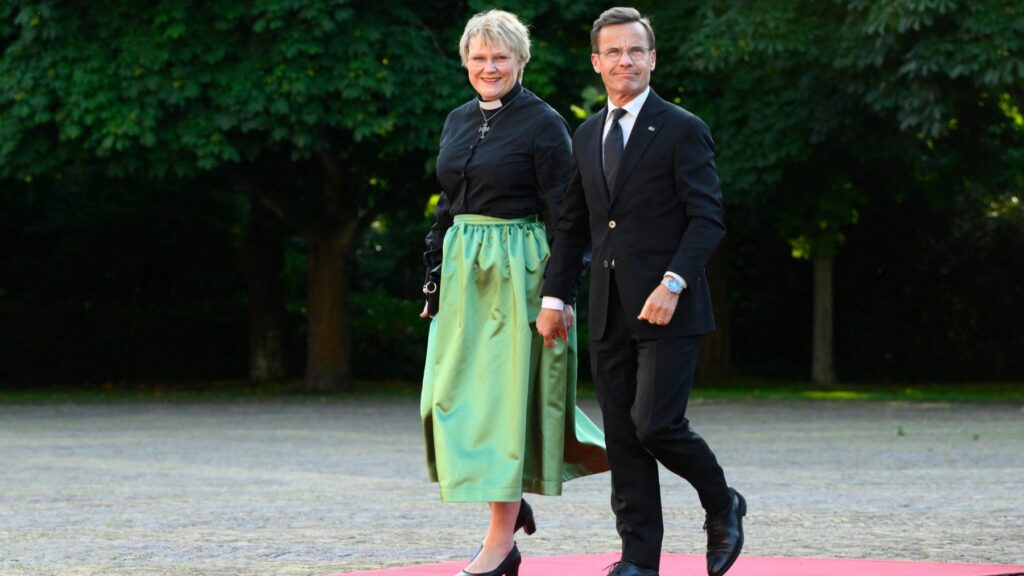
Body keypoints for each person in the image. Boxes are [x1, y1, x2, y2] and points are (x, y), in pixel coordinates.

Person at [536, 7, 745, 576]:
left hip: (669, 308)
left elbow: (707, 219)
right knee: (624, 437)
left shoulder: (682, 128)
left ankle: (722, 502)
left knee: (657, 426)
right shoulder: (585, 135)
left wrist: (673, 282)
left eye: (635, 50)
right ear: (596, 62)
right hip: (607, 310)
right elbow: (573, 228)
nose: (624, 60)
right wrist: (555, 299)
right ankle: (638, 559)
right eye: (613, 51)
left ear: (652, 59)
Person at [419, 10, 608, 576]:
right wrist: (433, 277)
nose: (489, 67)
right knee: (446, 403)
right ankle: (509, 498)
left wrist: (559, 296)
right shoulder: (456, 120)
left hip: (518, 272)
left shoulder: (545, 124)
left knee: (501, 411)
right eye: (478, 58)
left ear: (520, 60)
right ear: (465, 63)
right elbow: (447, 205)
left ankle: (499, 546)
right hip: (463, 273)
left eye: (500, 57)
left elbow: (567, 217)